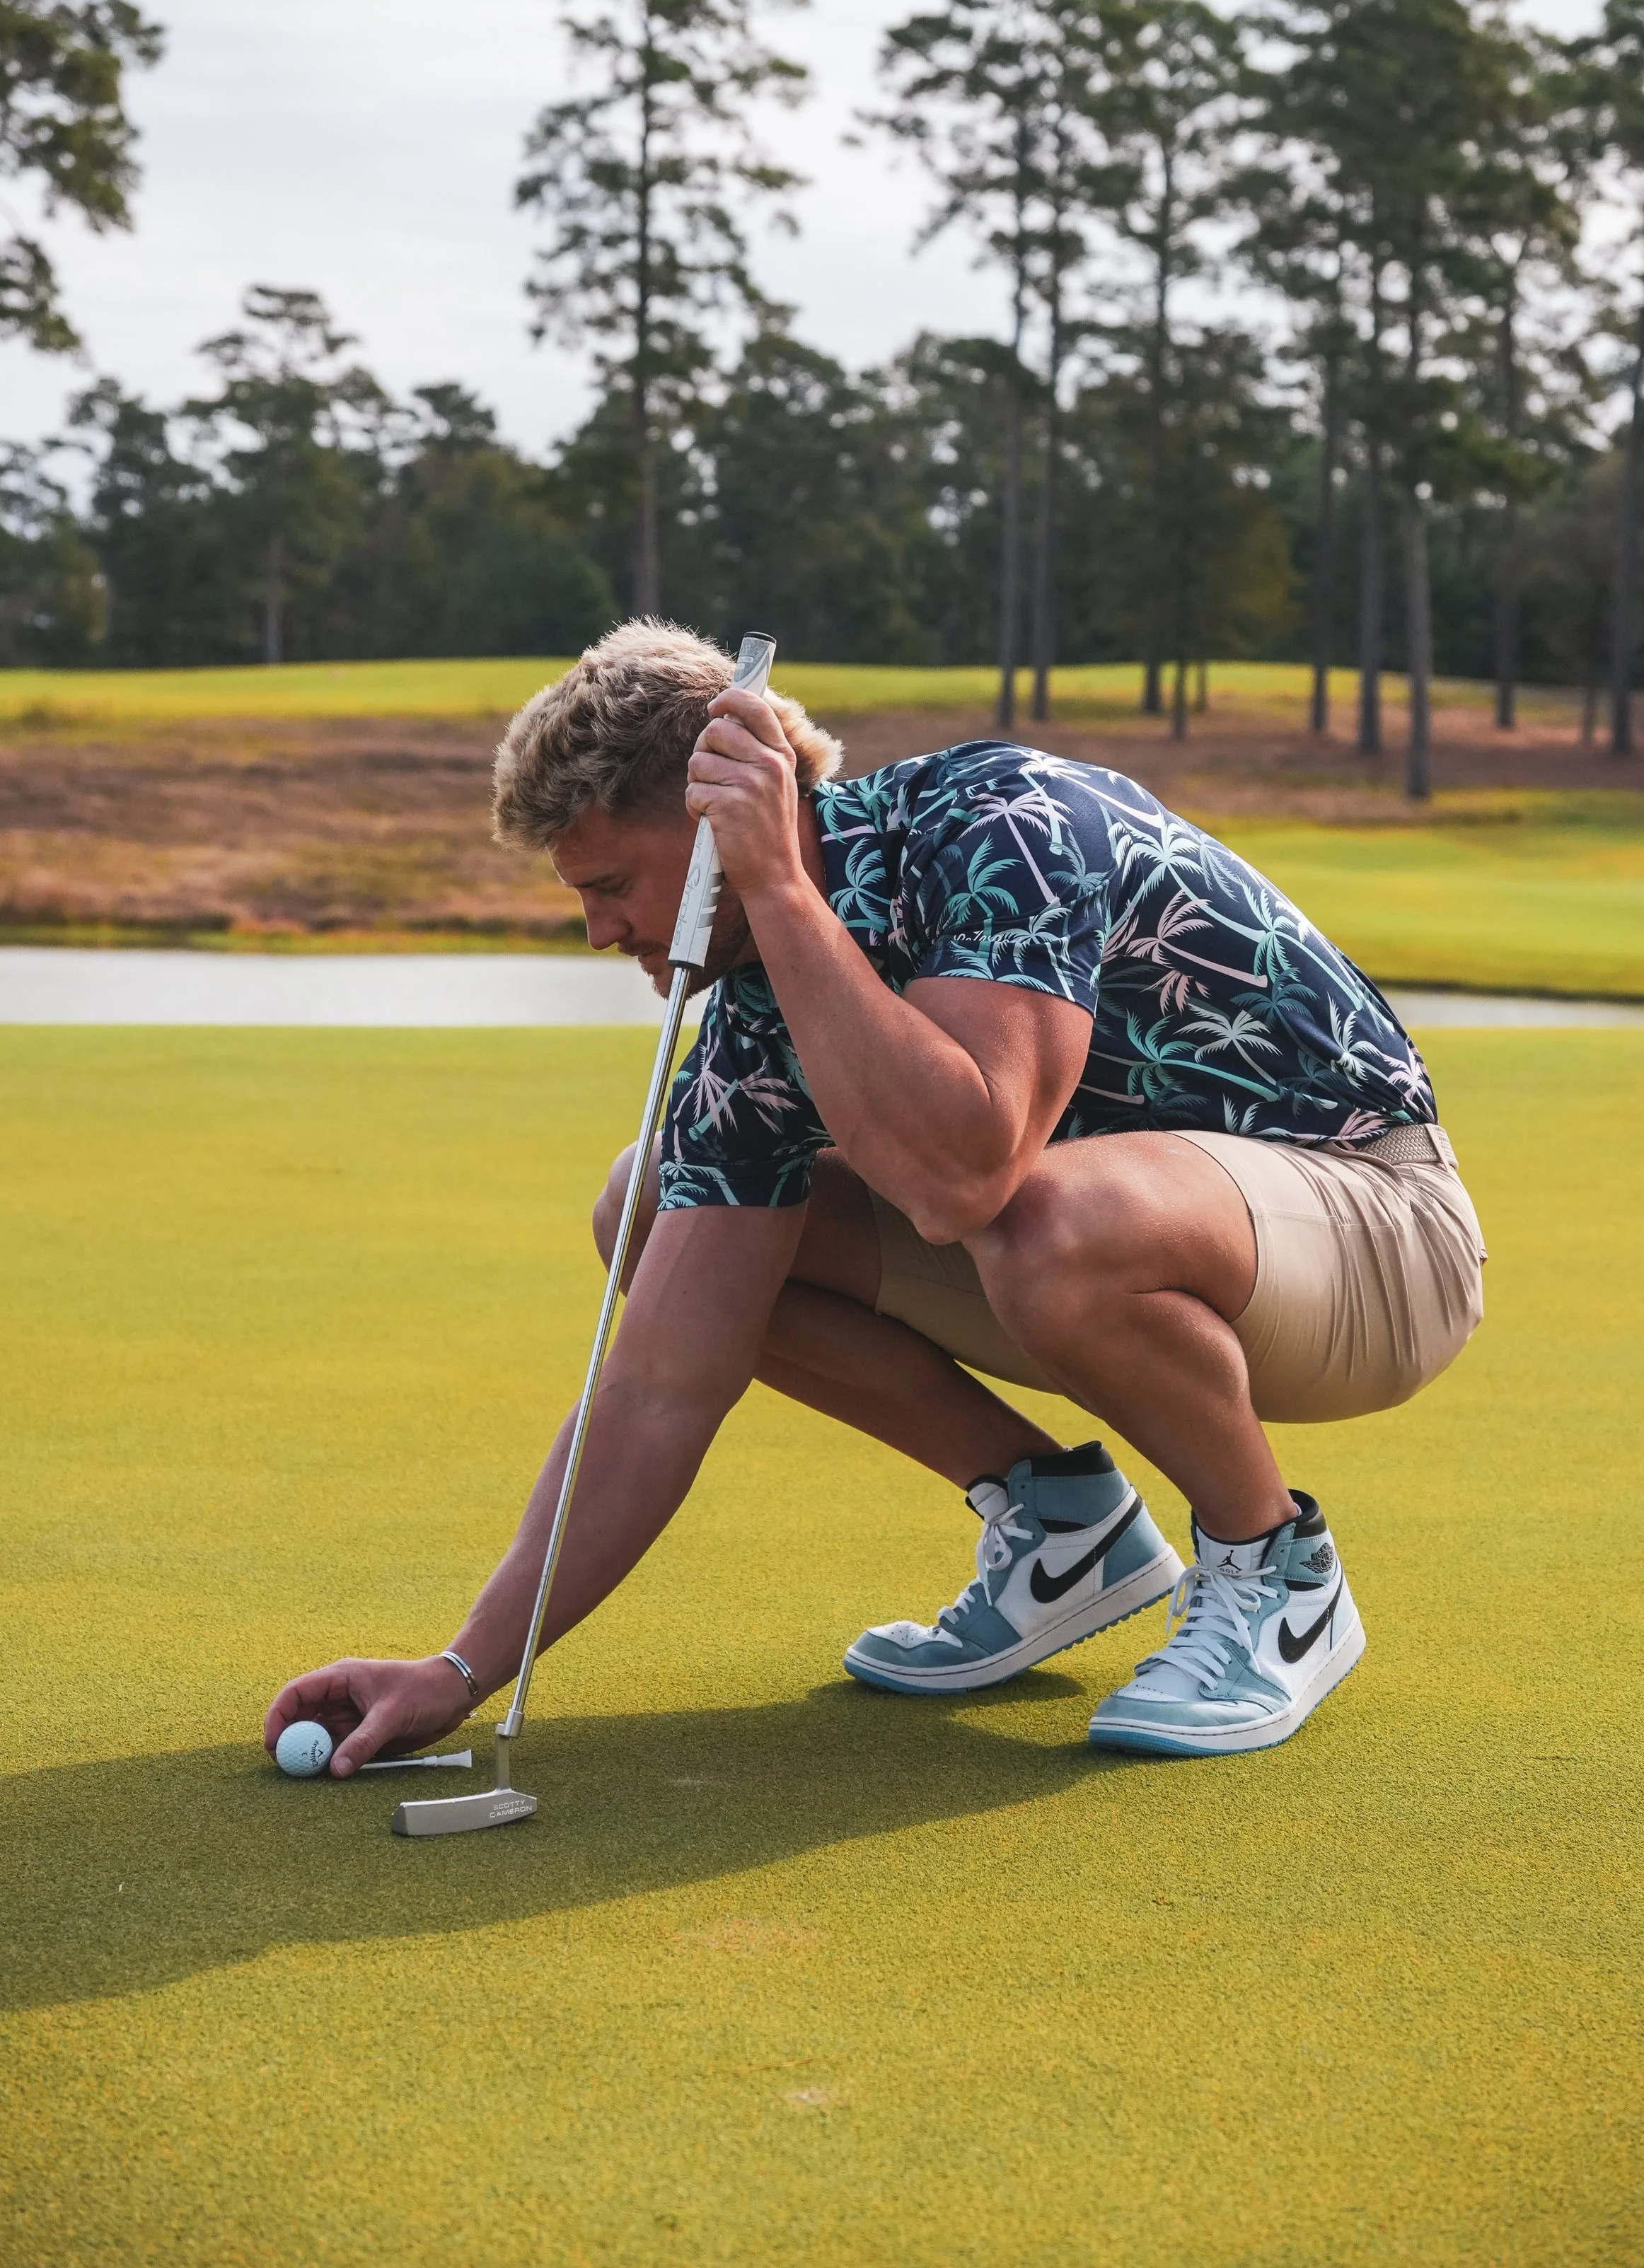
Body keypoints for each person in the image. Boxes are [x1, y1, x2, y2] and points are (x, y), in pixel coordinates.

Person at [265, 621, 1485, 1775]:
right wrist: (463, 1665)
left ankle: (1278, 1569)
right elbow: (652, 1391)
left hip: (1379, 1227)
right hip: (1141, 1251)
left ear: (730, 811)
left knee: (1041, 1218)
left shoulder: (999, 821)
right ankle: (1063, 1529)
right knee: (645, 1205)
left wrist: (784, 892)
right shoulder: (751, 1024)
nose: (598, 931)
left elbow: (966, 1170)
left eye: (613, 882)